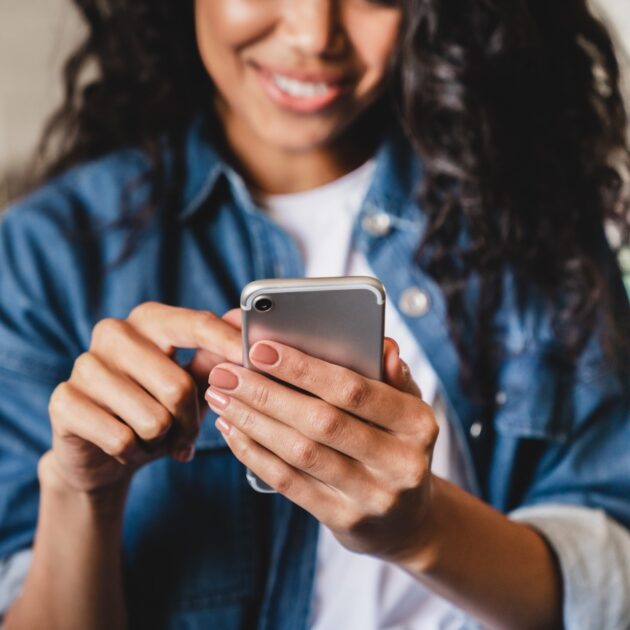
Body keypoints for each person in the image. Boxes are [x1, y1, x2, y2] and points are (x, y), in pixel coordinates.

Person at [1, 1, 629, 628]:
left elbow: (612, 582)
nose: (312, 34)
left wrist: (423, 531)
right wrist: (83, 491)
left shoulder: (533, 214)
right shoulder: (46, 256)